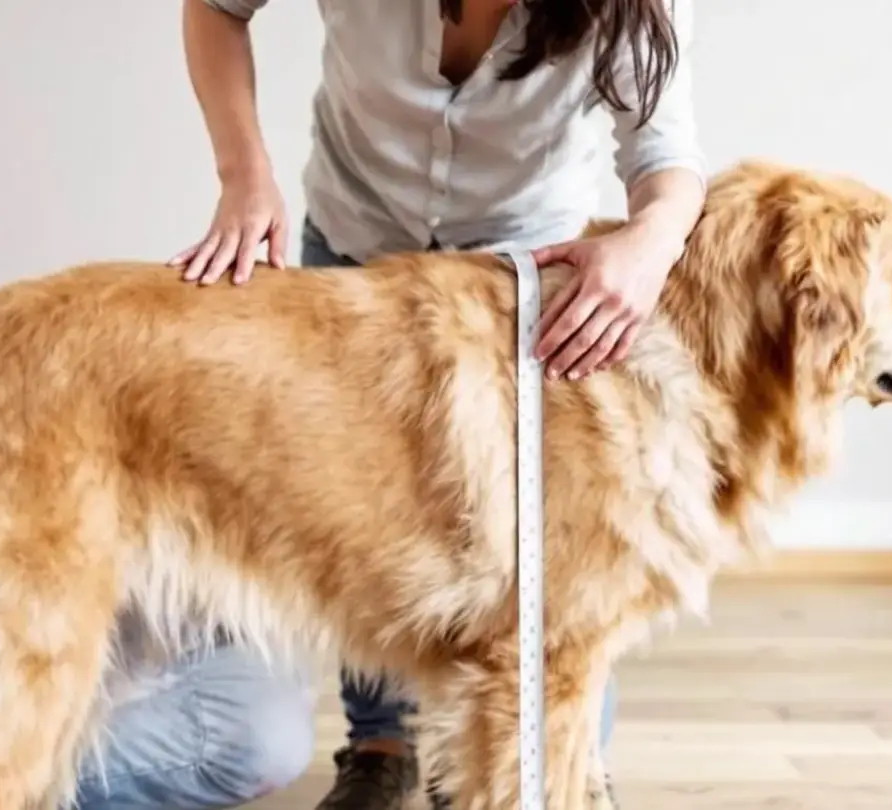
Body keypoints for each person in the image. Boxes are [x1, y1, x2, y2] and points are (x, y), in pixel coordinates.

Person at [75, 0, 707, 807]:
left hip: (517, 289)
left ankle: (497, 763)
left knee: (550, 680)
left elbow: (665, 155)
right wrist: (244, 173)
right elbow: (217, 7)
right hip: (356, 264)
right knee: (362, 534)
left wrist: (653, 240)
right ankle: (380, 745)